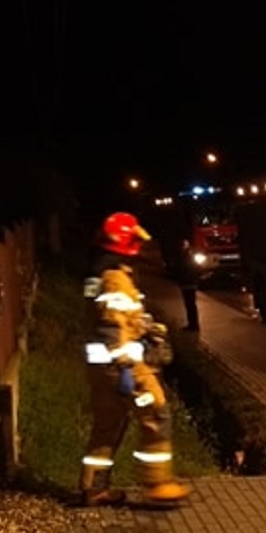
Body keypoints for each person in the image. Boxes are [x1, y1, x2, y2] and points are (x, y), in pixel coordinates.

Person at [78, 211, 191, 508]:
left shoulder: (99, 275)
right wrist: (127, 368)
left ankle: (94, 489)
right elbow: (112, 329)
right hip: (121, 367)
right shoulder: (115, 279)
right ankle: (157, 483)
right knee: (156, 413)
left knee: (108, 424)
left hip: (101, 369)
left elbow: (118, 319)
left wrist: (148, 326)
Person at [174, 237, 201, 332]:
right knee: (190, 305)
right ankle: (193, 324)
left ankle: (193, 325)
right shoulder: (188, 256)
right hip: (188, 283)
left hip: (188, 284)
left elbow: (186, 269)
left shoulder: (186, 256)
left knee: (190, 305)